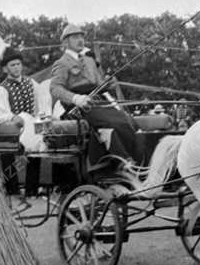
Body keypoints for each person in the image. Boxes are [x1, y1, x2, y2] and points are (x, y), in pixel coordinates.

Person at [50, 24, 141, 165]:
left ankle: (136, 160)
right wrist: (75, 98)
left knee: (128, 121)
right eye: (75, 37)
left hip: (99, 101)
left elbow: (99, 84)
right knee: (112, 123)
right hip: (79, 106)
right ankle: (122, 161)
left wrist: (108, 83)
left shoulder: (90, 60)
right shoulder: (61, 63)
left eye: (81, 37)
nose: (80, 40)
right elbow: (55, 88)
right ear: (65, 42)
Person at [0, 48, 44, 197]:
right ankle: (12, 188)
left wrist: (40, 117)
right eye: (12, 65)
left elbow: (40, 103)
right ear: (5, 69)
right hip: (15, 127)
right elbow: (1, 110)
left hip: (31, 123)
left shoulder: (30, 83)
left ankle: (32, 189)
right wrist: (11, 117)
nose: (16, 67)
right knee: (8, 147)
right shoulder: (2, 89)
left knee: (37, 147)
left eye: (18, 64)